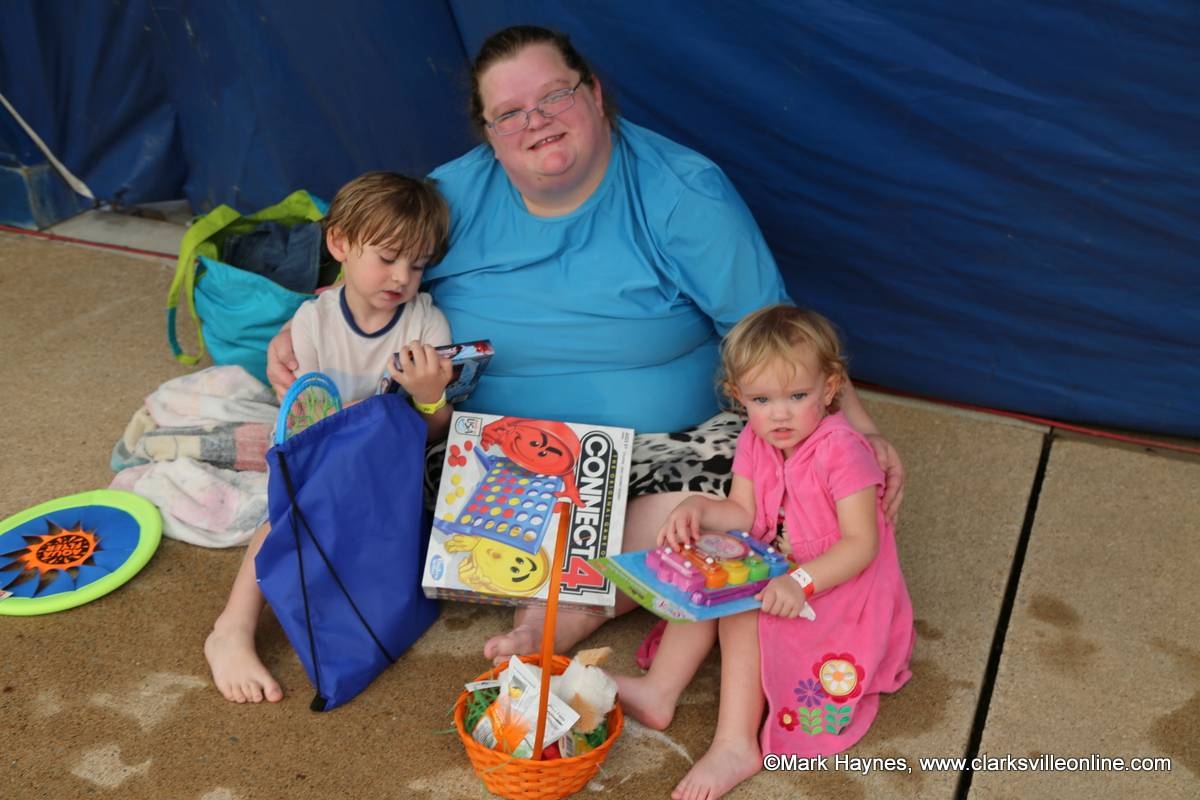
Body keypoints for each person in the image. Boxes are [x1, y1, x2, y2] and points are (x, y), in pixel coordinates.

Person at [266, 25, 906, 665]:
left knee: (767, 495)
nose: (536, 122)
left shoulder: (683, 192)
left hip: (663, 453)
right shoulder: (449, 197)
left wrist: (857, 428)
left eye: (554, 96)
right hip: (485, 451)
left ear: (595, 94)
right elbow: (371, 278)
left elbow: (779, 337)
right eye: (509, 114)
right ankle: (572, 578)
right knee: (381, 471)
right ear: (489, 133)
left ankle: (555, 617)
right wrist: (298, 329)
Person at [613, 305, 915, 800]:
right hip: (781, 568)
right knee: (707, 571)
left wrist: (799, 582)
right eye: (762, 399)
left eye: (797, 396)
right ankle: (659, 690)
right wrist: (698, 508)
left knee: (741, 608)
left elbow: (862, 545)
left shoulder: (843, 451)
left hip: (837, 588)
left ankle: (735, 745)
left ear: (830, 388)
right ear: (738, 396)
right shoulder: (757, 438)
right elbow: (741, 510)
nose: (779, 413)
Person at [205, 171, 455, 703]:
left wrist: (431, 397)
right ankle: (231, 628)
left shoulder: (426, 324)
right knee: (287, 516)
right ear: (339, 243)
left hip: (396, 470)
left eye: (418, 264)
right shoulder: (312, 323)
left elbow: (433, 433)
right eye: (388, 258)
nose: (402, 277)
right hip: (327, 465)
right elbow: (306, 429)